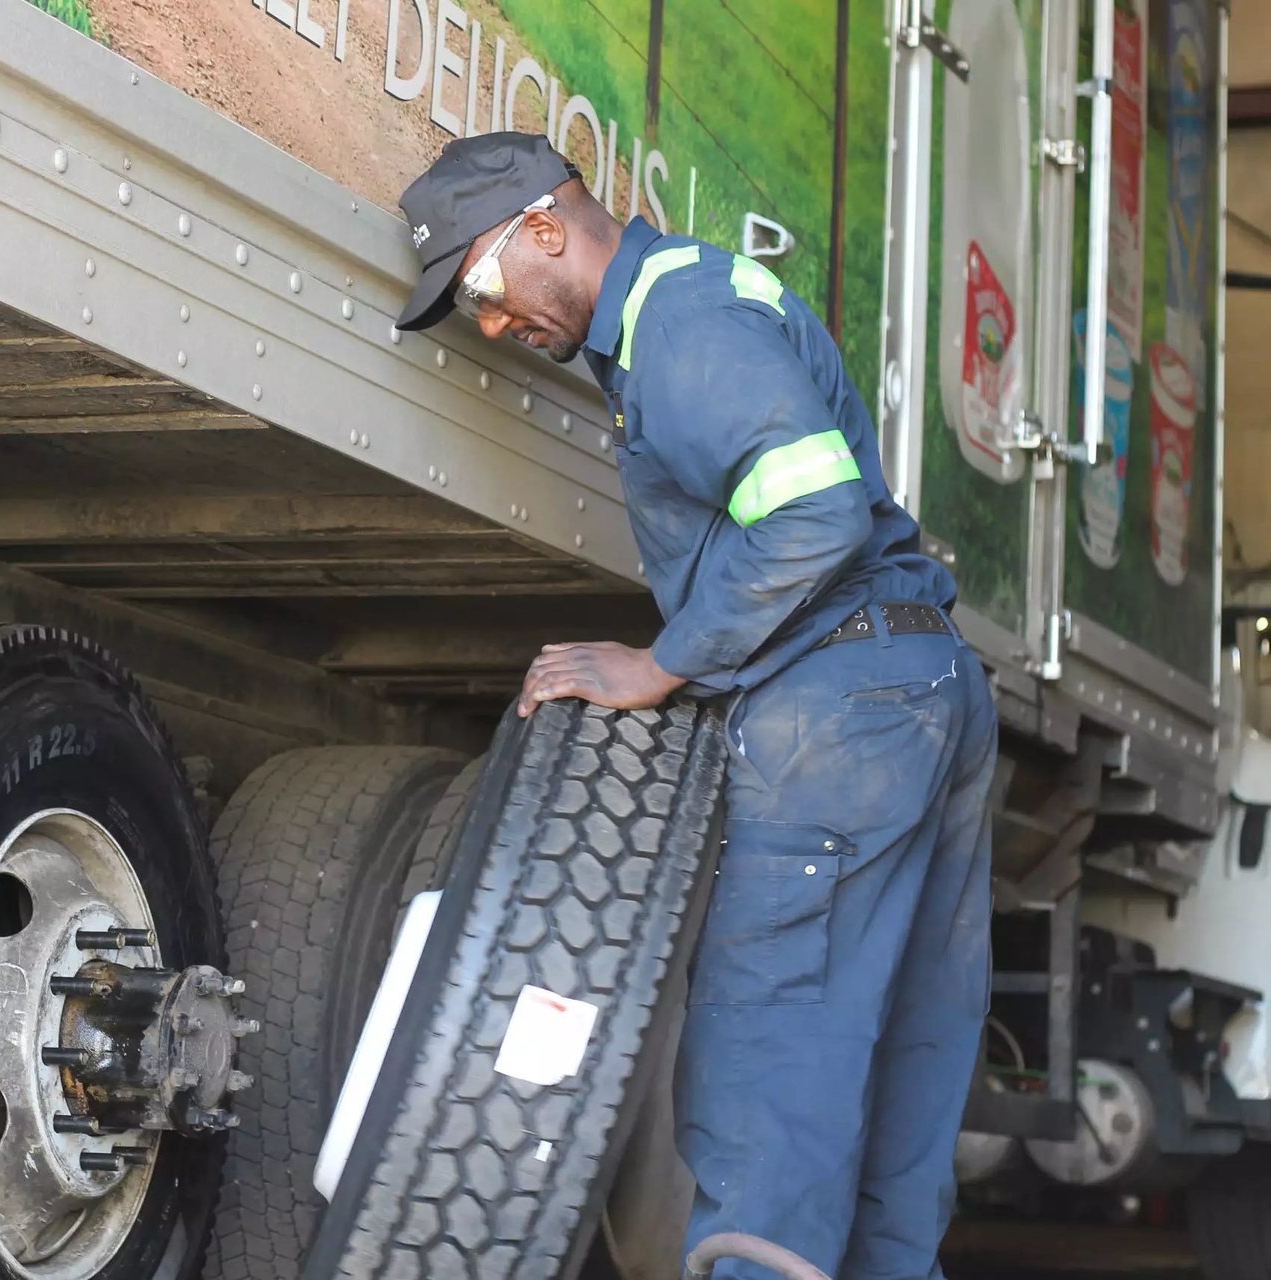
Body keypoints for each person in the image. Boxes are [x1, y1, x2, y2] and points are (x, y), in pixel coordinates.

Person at [393, 132, 997, 1280]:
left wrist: (664, 662)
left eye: (475, 287)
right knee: (897, 1076)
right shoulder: (687, 306)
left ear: (544, 227)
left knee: (771, 1062)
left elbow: (814, 509)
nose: (487, 323)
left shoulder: (679, 326)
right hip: (916, 686)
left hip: (840, 706)